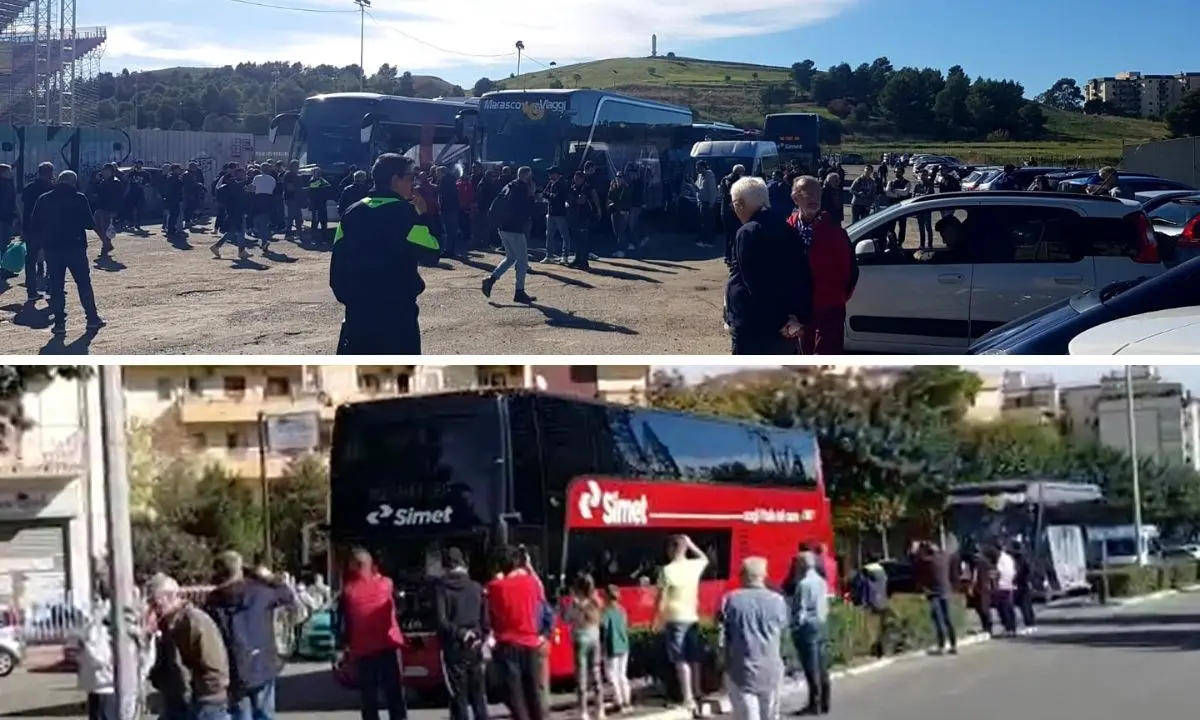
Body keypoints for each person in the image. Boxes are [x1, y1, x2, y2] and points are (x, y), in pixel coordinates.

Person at [330, 153, 438, 354]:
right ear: (395, 180)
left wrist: (352, 301)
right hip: (397, 317)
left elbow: (337, 266)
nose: (413, 183)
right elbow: (432, 254)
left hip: (358, 316)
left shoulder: (351, 212)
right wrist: (423, 215)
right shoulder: (406, 213)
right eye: (409, 177)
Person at [724, 176, 812, 355]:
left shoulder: (748, 232)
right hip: (786, 324)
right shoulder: (788, 229)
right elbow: (803, 276)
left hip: (755, 328)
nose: (734, 210)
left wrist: (779, 321)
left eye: (733, 204)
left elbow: (755, 283)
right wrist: (797, 318)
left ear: (740, 204)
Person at [203, 551, 295, 720]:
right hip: (262, 663)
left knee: (241, 715)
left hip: (233, 669)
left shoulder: (212, 602)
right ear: (239, 569)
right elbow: (287, 596)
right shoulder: (258, 592)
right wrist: (269, 577)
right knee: (265, 714)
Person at [28, 169, 104, 335]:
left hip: (52, 248)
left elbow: (35, 223)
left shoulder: (44, 198)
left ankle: (60, 323)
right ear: (73, 182)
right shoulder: (79, 198)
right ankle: (92, 319)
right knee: (83, 283)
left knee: (56, 286)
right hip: (75, 247)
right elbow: (89, 223)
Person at [146, 573, 230, 720]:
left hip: (204, 702)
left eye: (155, 602)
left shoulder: (195, 622)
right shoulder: (165, 624)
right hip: (177, 698)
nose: (153, 608)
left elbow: (215, 667)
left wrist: (201, 696)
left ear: (168, 597)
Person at [337, 548, 407, 720]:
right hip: (388, 646)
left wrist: (344, 647)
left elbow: (343, 625)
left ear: (354, 566)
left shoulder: (348, 592)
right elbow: (400, 607)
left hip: (363, 650)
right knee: (395, 695)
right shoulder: (387, 584)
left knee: (369, 699)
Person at [788, 176, 854, 354]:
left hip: (830, 306)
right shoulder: (788, 230)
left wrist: (838, 296)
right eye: (807, 193)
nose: (813, 198)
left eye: (817, 193)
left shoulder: (834, 230)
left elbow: (850, 271)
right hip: (799, 309)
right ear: (795, 198)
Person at [718, 557, 789, 720]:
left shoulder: (730, 600)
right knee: (770, 715)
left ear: (742, 575)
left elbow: (723, 635)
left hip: (740, 669)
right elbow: (783, 634)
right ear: (764, 575)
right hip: (771, 668)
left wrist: (722, 661)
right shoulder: (778, 601)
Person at [486, 545, 546, 720]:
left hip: (507, 645)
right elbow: (541, 592)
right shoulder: (530, 582)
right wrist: (529, 567)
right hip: (530, 643)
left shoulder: (495, 586)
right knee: (534, 694)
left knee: (515, 697)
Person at [655, 534, 709, 716]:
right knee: (694, 658)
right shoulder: (694, 567)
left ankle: (688, 697)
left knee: (680, 659)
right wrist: (691, 543)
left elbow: (661, 599)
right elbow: (704, 558)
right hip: (692, 617)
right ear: (684, 548)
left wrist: (656, 619)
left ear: (671, 549)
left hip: (674, 618)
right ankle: (698, 691)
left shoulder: (666, 570)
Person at [434, 547, 489, 720]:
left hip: (454, 647)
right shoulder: (476, 587)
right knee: (479, 694)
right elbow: (486, 620)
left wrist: (460, 633)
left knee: (459, 696)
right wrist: (478, 635)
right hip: (475, 645)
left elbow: (441, 621)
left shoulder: (441, 589)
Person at [481, 166, 537, 304]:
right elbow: (525, 208)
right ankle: (519, 291)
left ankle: (491, 279)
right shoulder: (522, 188)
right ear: (527, 177)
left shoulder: (509, 185)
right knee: (522, 261)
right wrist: (532, 197)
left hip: (503, 227)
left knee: (511, 257)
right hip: (515, 228)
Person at [790, 552, 830, 716]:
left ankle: (815, 704)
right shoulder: (821, 581)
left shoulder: (803, 584)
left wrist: (794, 627)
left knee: (810, 666)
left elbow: (801, 610)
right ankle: (825, 702)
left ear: (802, 565)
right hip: (821, 624)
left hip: (807, 628)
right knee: (821, 665)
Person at [563, 574, 604, 720]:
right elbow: (600, 618)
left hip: (580, 639)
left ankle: (584, 712)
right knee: (596, 673)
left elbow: (567, 619)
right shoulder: (596, 600)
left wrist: (572, 602)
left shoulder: (575, 602)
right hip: (595, 638)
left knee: (581, 676)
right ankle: (600, 710)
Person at [914, 542, 958, 655]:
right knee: (948, 619)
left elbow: (917, 560)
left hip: (934, 594)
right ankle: (953, 645)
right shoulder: (943, 558)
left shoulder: (926, 561)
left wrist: (917, 549)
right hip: (946, 591)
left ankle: (942, 646)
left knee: (939, 621)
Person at [19, 161, 54, 300]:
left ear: (38, 172)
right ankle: (51, 288)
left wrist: (22, 226)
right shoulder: (53, 188)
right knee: (52, 259)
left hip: (31, 228)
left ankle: (31, 292)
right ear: (51, 172)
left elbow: (22, 207)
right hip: (49, 228)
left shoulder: (29, 187)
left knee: (30, 260)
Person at [599, 585, 631, 714]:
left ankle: (619, 702)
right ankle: (626, 700)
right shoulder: (622, 610)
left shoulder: (605, 612)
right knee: (622, 674)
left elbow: (604, 629)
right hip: (624, 645)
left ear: (606, 596)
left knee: (612, 675)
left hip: (612, 646)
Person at [93, 164, 125, 255]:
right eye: (103, 170)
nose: (104, 172)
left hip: (110, 209)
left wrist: (115, 211)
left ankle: (105, 247)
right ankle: (107, 244)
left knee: (105, 228)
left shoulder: (115, 182)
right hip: (101, 207)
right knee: (95, 225)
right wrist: (96, 181)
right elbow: (95, 192)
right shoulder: (102, 181)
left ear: (111, 172)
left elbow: (118, 198)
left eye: (106, 171)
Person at [541, 166, 571, 264]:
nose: (549, 175)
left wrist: (549, 195)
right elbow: (544, 193)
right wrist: (549, 195)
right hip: (551, 213)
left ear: (556, 174)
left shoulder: (563, 184)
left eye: (551, 173)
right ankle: (549, 256)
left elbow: (558, 198)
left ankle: (565, 256)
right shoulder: (551, 183)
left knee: (564, 235)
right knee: (549, 235)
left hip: (560, 213)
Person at [694, 161, 718, 247]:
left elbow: (712, 190)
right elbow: (698, 188)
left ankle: (709, 240)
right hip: (701, 201)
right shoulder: (699, 176)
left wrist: (712, 203)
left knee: (708, 222)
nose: (696, 169)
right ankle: (703, 239)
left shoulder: (709, 176)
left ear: (703, 167)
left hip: (707, 202)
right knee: (702, 221)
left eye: (698, 167)